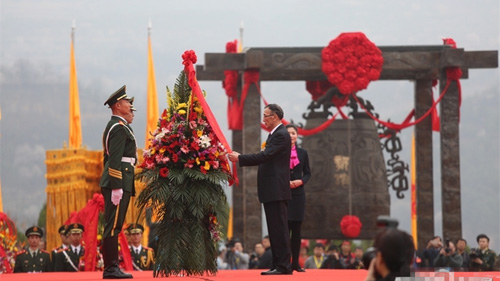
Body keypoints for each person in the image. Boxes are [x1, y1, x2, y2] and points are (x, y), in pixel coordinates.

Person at [228, 104, 292, 275]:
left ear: (276, 117)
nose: (263, 119)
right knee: (274, 228)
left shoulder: (281, 135)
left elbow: (265, 156)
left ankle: (284, 266)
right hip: (271, 189)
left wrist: (240, 158)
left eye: (266, 116)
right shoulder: (274, 135)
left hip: (277, 189)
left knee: (279, 228)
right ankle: (278, 264)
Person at [99, 85, 136, 279]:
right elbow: (113, 160)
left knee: (115, 225)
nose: (130, 106)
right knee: (113, 225)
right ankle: (110, 268)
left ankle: (112, 267)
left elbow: (108, 159)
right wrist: (116, 186)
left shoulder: (117, 126)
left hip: (120, 179)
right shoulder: (118, 128)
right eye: (127, 103)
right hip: (119, 181)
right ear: (118, 105)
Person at [285, 124, 311, 273]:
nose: (291, 136)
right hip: (284, 193)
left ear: (297, 135)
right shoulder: (280, 152)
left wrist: (301, 181)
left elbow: (307, 173)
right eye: (288, 133)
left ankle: (295, 262)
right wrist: (285, 182)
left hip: (299, 194)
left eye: (293, 133)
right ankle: (285, 262)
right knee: (285, 230)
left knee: (297, 230)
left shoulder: (303, 153)